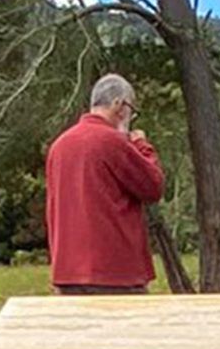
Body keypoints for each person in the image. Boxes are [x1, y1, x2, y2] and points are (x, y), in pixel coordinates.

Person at [44, 73, 165, 295]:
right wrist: (141, 144)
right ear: (119, 105)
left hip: (67, 273)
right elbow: (153, 186)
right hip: (115, 274)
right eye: (132, 110)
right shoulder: (112, 141)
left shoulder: (59, 146)